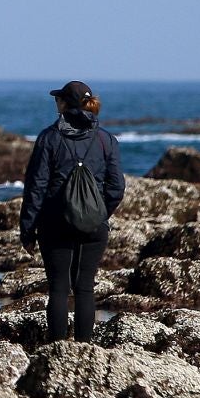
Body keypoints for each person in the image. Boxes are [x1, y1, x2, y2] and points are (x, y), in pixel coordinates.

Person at [20, 80, 125, 343]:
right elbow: (116, 187)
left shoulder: (49, 138)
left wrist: (27, 228)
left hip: (54, 223)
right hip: (94, 226)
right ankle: (84, 350)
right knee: (85, 289)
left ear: (65, 104)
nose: (55, 102)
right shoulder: (105, 140)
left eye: (58, 99)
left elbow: (36, 186)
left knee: (58, 288)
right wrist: (99, 214)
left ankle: (56, 350)